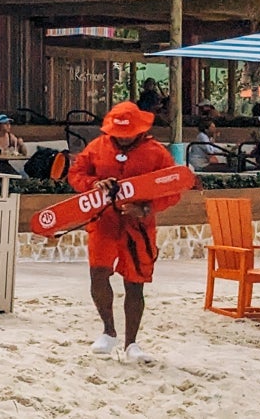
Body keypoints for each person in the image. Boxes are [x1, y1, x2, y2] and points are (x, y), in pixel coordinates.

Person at [67, 101, 182, 365]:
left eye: (127, 133)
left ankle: (132, 342)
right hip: (103, 221)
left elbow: (172, 188)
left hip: (138, 227)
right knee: (98, 274)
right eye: (118, 133)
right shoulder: (97, 146)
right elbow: (76, 174)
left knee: (134, 283)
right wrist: (94, 184)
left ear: (139, 129)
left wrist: (147, 208)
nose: (122, 137)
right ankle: (108, 331)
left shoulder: (157, 153)